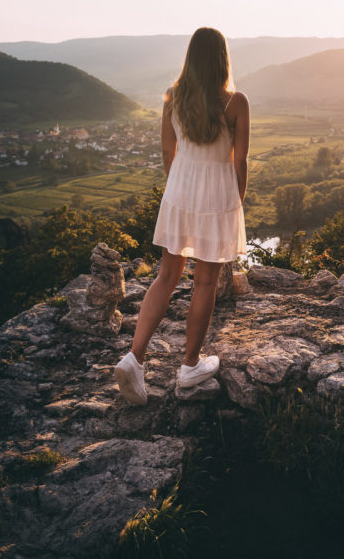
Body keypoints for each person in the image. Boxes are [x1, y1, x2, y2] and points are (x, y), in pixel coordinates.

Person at [115, 27, 249, 404]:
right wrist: (236, 200)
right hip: (216, 195)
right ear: (222, 59)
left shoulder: (173, 98)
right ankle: (190, 365)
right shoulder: (235, 102)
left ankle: (134, 357)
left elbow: (166, 149)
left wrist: (178, 188)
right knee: (204, 281)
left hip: (179, 190)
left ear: (190, 57)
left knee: (167, 275)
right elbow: (240, 160)